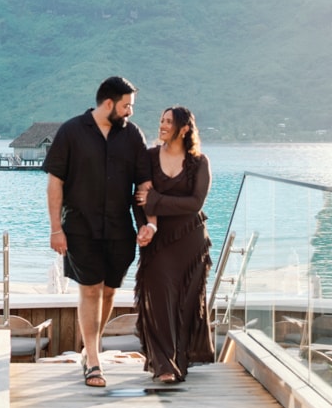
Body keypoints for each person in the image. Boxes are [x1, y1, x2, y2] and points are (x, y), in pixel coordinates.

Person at [44, 76, 154, 387]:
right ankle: (93, 358)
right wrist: (55, 229)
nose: (130, 111)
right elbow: (55, 184)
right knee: (90, 289)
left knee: (108, 292)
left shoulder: (132, 135)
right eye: (127, 105)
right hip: (80, 226)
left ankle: (89, 348)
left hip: (120, 227)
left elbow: (143, 183)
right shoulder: (71, 131)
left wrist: (148, 221)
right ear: (109, 103)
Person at [134, 106, 214, 383]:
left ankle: (180, 361)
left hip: (191, 242)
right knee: (158, 301)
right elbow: (139, 197)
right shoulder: (148, 157)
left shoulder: (199, 162)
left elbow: (195, 203)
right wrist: (147, 224)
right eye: (161, 120)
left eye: (169, 121)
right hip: (158, 241)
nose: (163, 125)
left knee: (185, 303)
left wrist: (156, 201)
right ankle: (164, 365)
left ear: (184, 129)